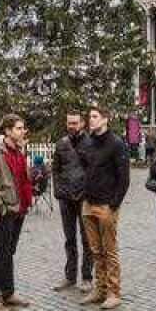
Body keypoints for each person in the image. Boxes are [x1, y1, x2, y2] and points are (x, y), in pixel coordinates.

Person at [77, 106, 130, 310]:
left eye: (94, 116)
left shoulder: (116, 144)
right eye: (89, 116)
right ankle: (99, 289)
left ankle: (113, 292)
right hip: (88, 204)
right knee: (95, 251)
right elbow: (86, 170)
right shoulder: (89, 142)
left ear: (105, 119)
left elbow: (124, 179)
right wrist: (84, 196)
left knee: (110, 250)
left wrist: (113, 204)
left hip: (106, 205)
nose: (90, 120)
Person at [0, 114, 34, 311]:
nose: (22, 132)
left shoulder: (19, 150)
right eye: (18, 128)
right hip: (6, 209)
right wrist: (0, 206)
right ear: (7, 131)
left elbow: (22, 178)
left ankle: (8, 292)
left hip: (19, 207)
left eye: (23, 128)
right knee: (2, 252)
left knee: (9, 252)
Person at [51, 112, 93, 292]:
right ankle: (70, 276)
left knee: (87, 239)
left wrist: (89, 193)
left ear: (82, 123)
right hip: (66, 198)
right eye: (69, 123)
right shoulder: (61, 144)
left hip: (84, 197)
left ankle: (87, 277)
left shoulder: (91, 143)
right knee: (69, 239)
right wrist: (59, 191)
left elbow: (94, 171)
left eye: (75, 123)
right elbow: (56, 169)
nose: (72, 126)